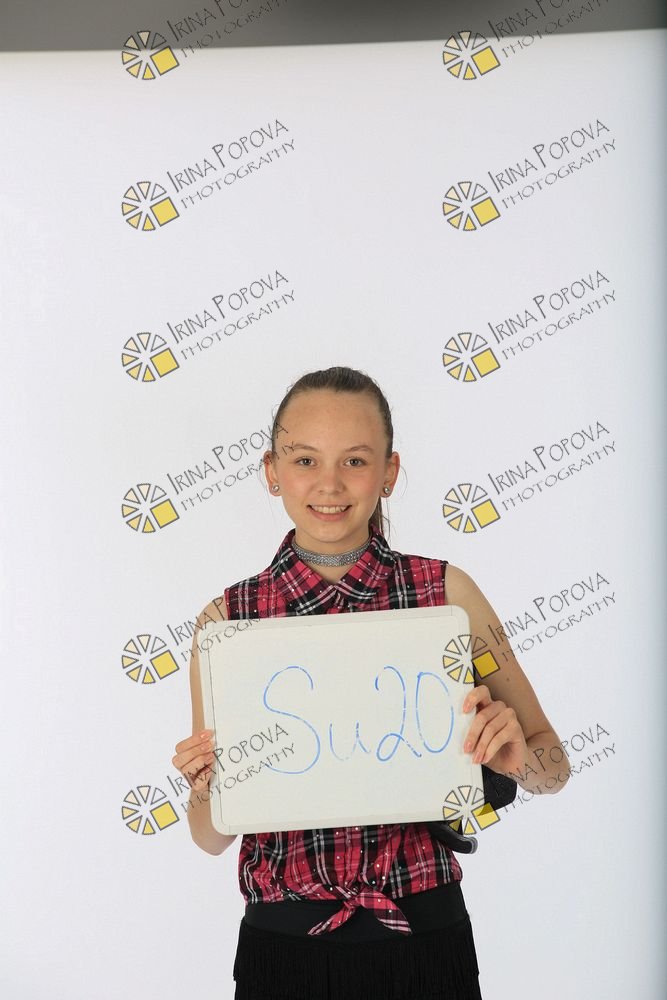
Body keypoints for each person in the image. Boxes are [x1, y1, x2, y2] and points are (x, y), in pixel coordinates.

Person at [172, 365, 569, 1000]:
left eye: (355, 461)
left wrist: (519, 758)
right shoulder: (228, 622)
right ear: (272, 471)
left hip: (425, 942)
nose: (329, 484)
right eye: (305, 459)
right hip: (284, 951)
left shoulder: (446, 595)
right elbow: (209, 836)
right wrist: (205, 786)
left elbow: (554, 768)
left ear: (389, 472)